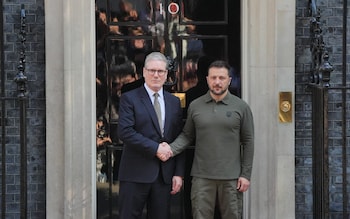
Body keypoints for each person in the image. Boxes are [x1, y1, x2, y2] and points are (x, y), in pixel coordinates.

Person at [158, 60, 254, 219]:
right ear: (207, 79)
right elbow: (187, 135)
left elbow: (249, 141)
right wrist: (169, 150)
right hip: (201, 178)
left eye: (222, 78)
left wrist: (246, 174)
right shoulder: (195, 106)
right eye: (214, 77)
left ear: (229, 80)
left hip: (231, 179)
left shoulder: (241, 107)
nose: (217, 82)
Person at [117, 52, 185, 219]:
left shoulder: (174, 102)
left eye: (160, 71)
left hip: (164, 176)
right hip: (135, 174)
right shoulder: (129, 98)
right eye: (152, 70)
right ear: (144, 71)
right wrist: (155, 149)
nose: (156, 75)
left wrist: (178, 173)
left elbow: (179, 137)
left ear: (166, 74)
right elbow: (125, 131)